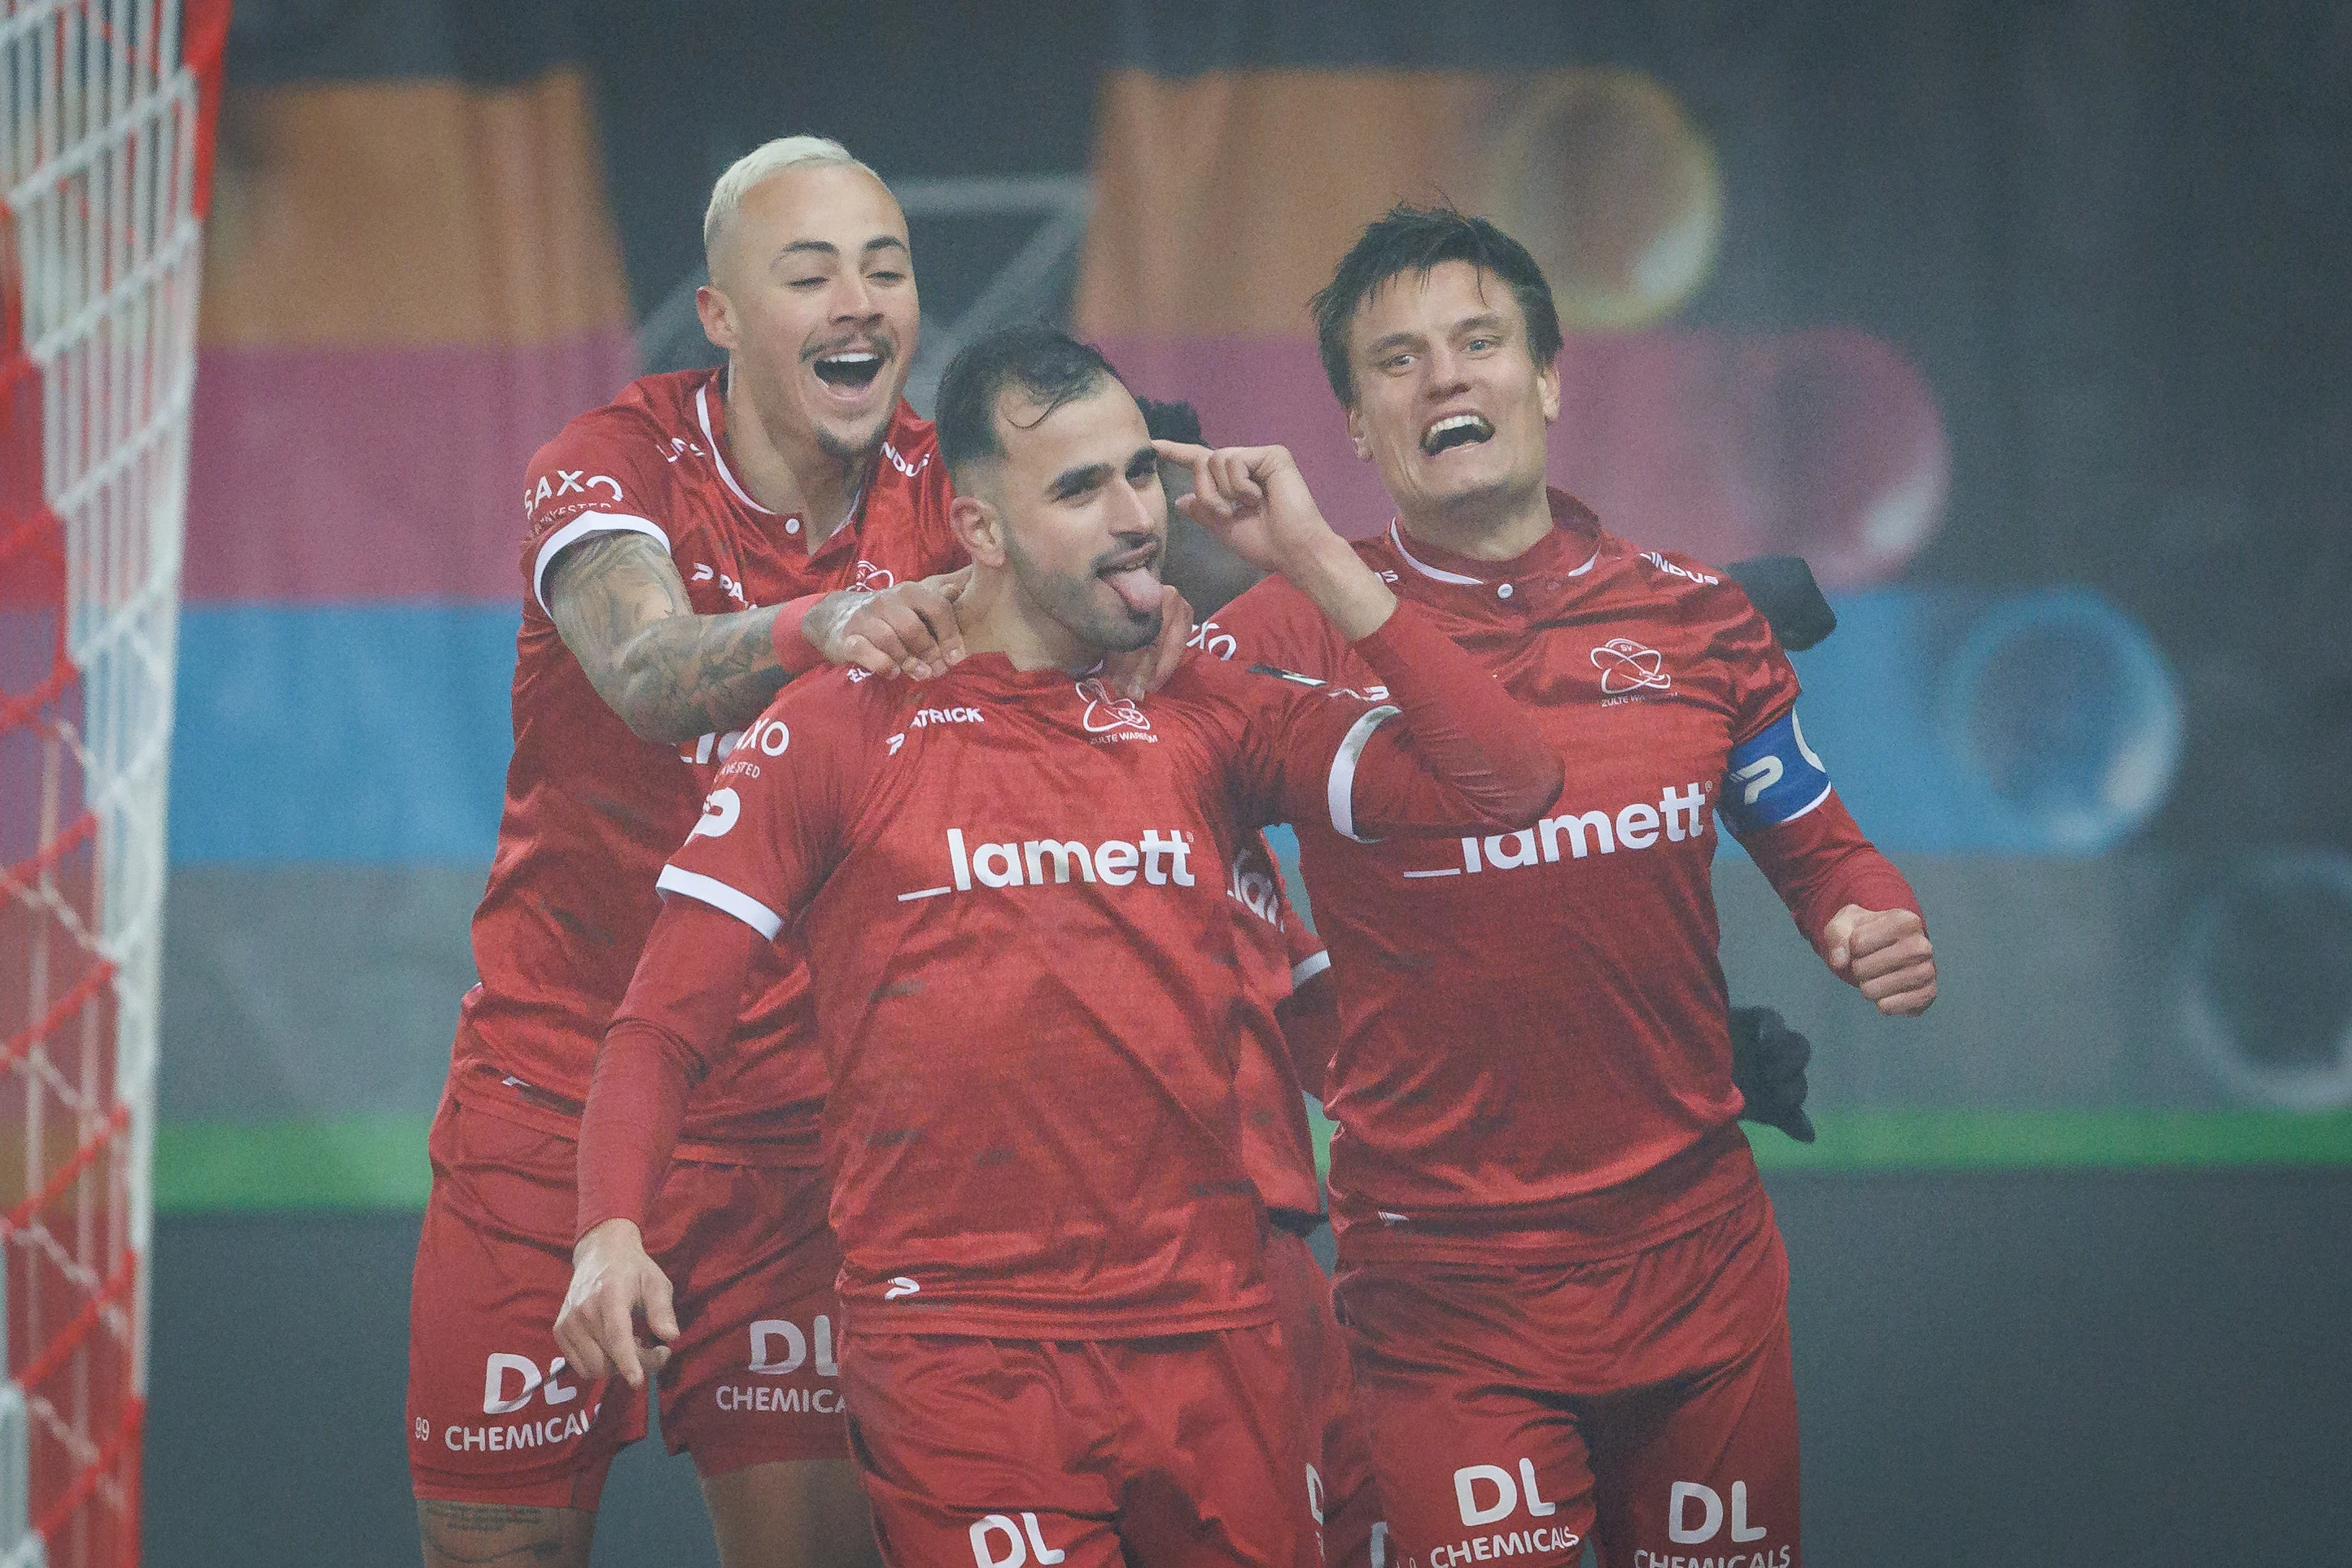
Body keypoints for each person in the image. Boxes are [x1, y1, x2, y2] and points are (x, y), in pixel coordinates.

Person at [554, 325, 1563, 1566]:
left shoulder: (1204, 711)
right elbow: (663, 1018)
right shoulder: (837, 726)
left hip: (1219, 1339)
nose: (1134, 513)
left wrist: (1308, 554)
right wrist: (609, 1226)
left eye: (1140, 472)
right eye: (1080, 489)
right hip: (961, 1359)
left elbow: (1507, 779)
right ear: (978, 529)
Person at [403, 138, 1183, 1568]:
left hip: (801, 1153)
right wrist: (807, 628)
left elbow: (1115, 516)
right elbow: (641, 671)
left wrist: (1157, 589)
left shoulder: (951, 482)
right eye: (809, 270)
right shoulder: (610, 463)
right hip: (548, 1109)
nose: (861, 301)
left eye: (885, 267)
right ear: (716, 315)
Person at [1208, 206, 1939, 1568]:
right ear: (1355, 428)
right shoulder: (1276, 633)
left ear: (1547, 379)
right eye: (1398, 360)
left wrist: (1864, 915)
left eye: (1478, 343)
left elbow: (1819, 843)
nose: (1445, 379)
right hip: (1443, 1302)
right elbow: (1122, 807)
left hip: (1699, 1274)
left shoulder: (1695, 614)